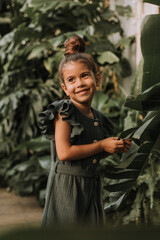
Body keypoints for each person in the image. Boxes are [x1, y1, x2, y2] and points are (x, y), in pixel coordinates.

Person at [38, 35, 132, 226]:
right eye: (71, 80)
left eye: (85, 76)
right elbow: (64, 153)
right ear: (65, 88)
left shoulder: (96, 115)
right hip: (67, 187)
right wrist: (102, 144)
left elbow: (92, 154)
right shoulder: (64, 112)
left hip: (90, 183)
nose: (79, 83)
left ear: (97, 79)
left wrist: (112, 147)